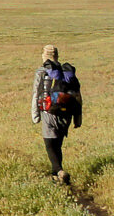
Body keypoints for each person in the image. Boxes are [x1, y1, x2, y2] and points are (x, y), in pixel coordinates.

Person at [32, 44, 81, 184]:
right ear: (57, 56)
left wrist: (35, 115)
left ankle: (59, 171)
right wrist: (78, 118)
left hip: (49, 112)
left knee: (49, 144)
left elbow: (37, 93)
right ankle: (56, 176)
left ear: (44, 56)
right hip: (67, 114)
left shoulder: (42, 71)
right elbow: (78, 96)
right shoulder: (68, 72)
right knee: (57, 145)